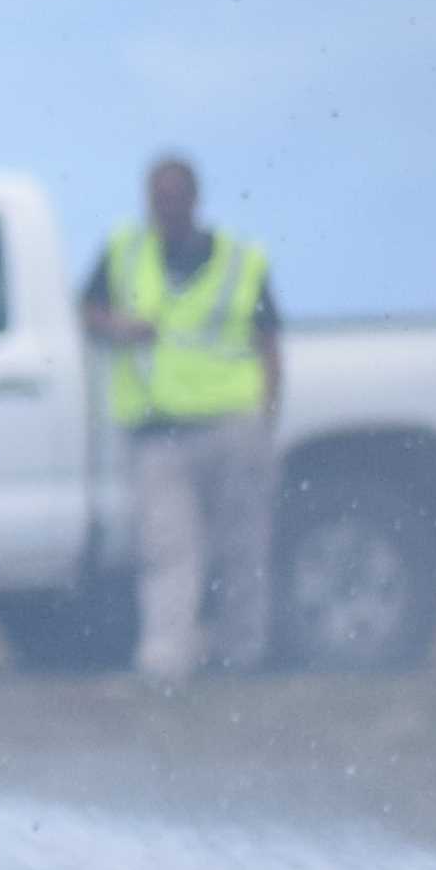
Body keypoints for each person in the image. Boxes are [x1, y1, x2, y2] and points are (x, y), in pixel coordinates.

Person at [80, 150, 285, 685]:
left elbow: (268, 344)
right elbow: (88, 310)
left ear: (194, 198)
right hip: (159, 434)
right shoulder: (125, 251)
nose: (164, 207)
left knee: (243, 548)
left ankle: (242, 655)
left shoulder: (240, 261)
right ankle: (165, 662)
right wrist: (117, 326)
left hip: (230, 424)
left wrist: (266, 421)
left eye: (173, 197)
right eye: (156, 197)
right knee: (169, 552)